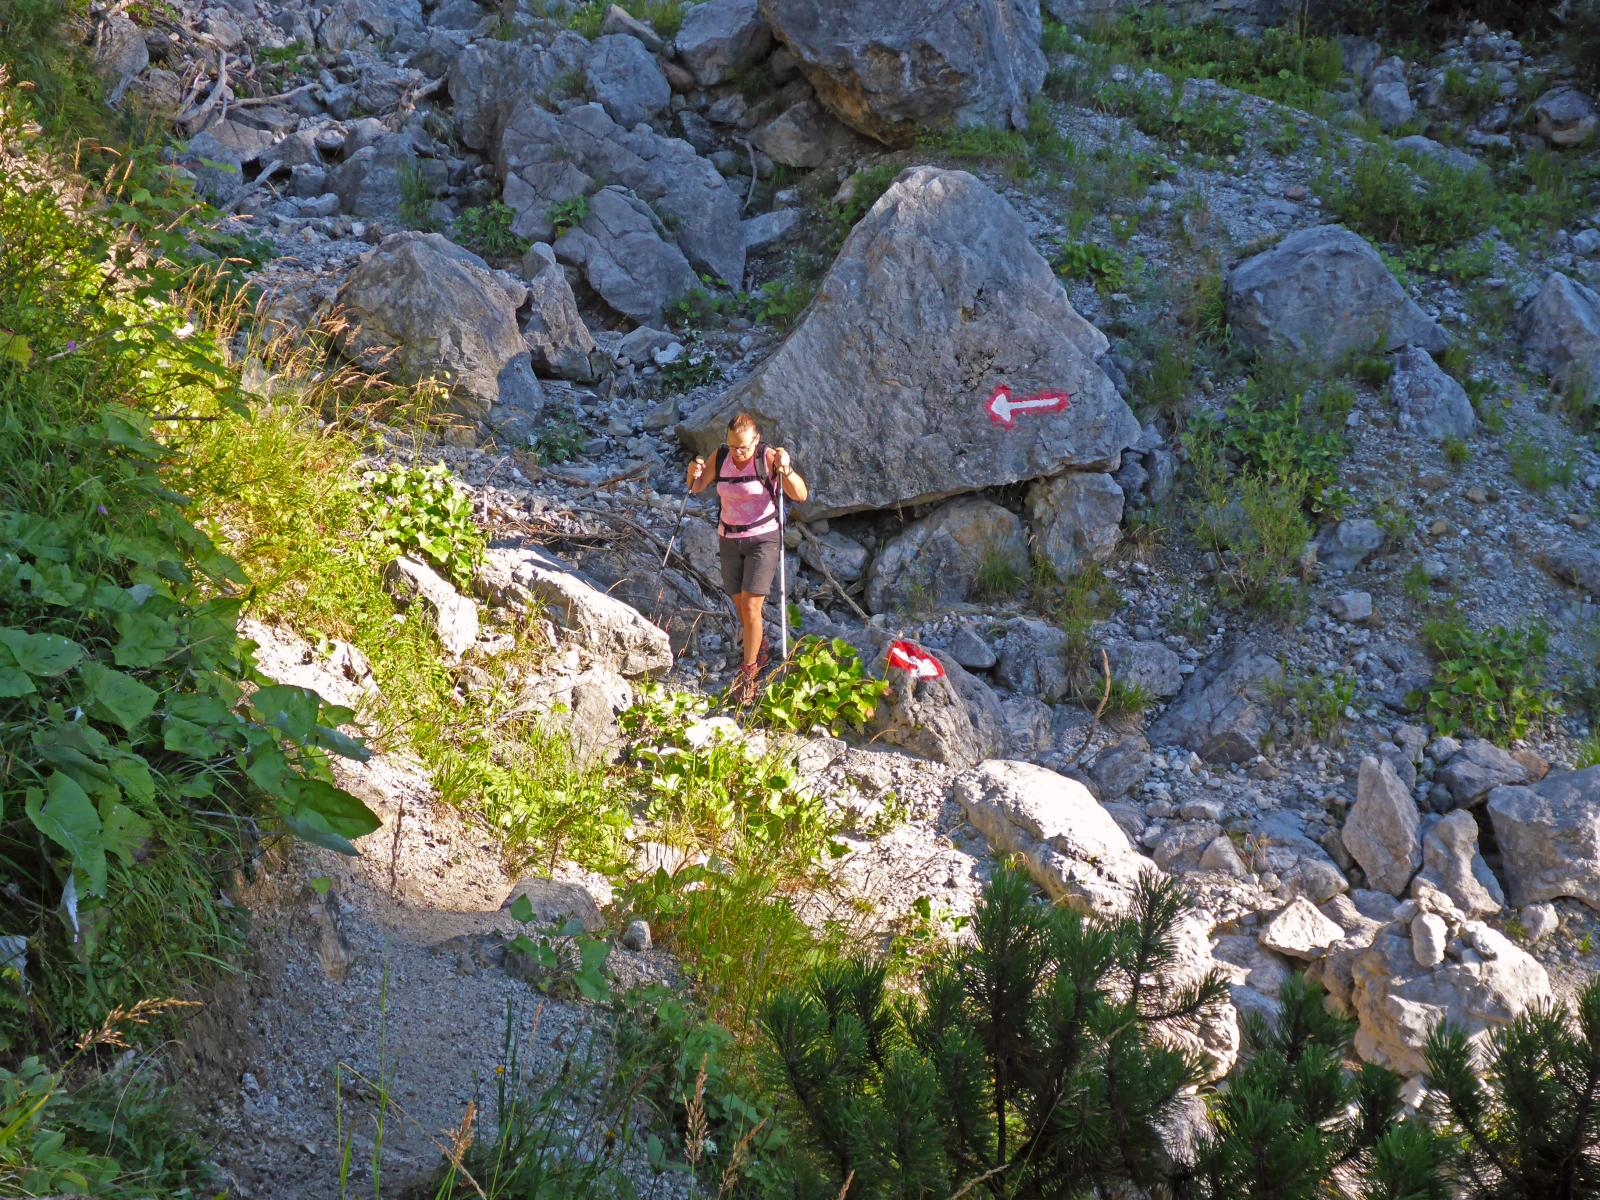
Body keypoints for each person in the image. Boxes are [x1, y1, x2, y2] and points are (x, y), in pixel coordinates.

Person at [686, 412, 808, 701]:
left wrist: (787, 470)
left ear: (756, 439)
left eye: (743, 446)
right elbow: (696, 487)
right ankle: (760, 642)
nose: (737, 452)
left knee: (752, 607)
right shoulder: (722, 455)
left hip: (762, 538)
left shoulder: (766, 458)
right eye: (732, 445)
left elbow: (800, 495)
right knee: (740, 602)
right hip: (729, 537)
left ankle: (748, 673)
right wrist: (693, 471)